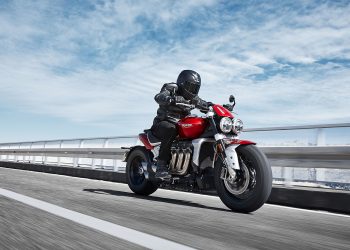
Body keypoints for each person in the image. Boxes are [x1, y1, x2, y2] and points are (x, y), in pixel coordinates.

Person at [151, 70, 211, 178]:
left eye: (195, 88)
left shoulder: (193, 98)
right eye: (190, 87)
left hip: (180, 125)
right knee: (171, 129)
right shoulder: (170, 88)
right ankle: (161, 165)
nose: (193, 91)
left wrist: (214, 106)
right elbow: (159, 96)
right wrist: (169, 99)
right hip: (162, 123)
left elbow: (203, 103)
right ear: (182, 84)